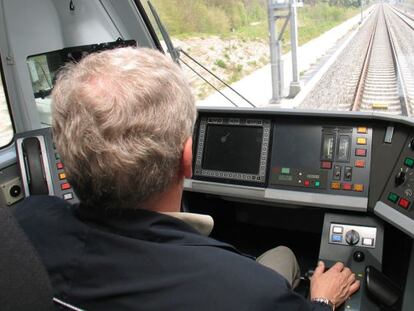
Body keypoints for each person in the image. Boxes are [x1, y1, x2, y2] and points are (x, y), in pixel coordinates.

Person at [14, 47, 359, 311]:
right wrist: (323, 301)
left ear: (67, 156)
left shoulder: (24, 226)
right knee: (283, 255)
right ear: (188, 158)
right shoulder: (252, 293)